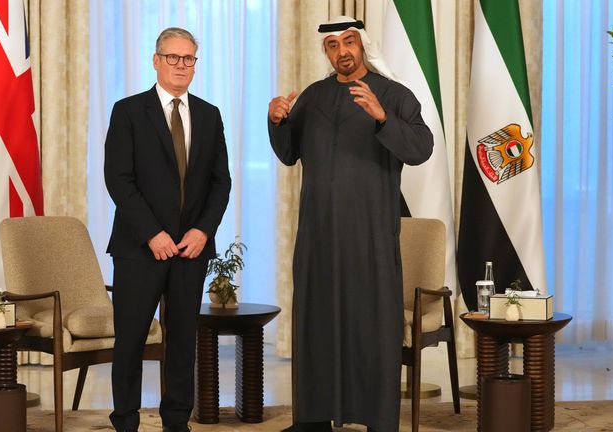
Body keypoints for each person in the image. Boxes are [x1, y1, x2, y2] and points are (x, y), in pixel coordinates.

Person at [267, 16, 433, 432]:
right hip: (319, 236)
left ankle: (377, 419)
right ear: (326, 52)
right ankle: (313, 418)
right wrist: (276, 121)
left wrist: (383, 119)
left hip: (370, 236)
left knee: (371, 327)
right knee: (316, 325)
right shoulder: (313, 97)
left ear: (362, 46)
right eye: (333, 45)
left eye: (349, 42)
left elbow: (421, 149)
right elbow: (289, 154)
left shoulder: (394, 95)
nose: (342, 51)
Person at [104, 27, 231, 432]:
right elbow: (118, 179)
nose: (181, 65)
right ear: (156, 61)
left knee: (181, 343)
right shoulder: (128, 111)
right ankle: (125, 421)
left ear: (196, 63)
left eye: (188, 58)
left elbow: (220, 182)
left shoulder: (209, 115)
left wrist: (203, 231)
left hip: (190, 249)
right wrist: (152, 234)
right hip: (140, 248)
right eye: (172, 57)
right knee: (131, 341)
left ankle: (177, 421)